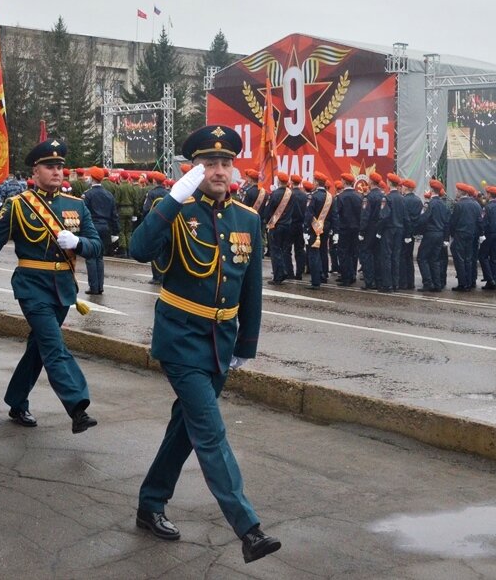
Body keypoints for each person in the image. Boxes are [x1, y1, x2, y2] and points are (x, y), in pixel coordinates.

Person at [129, 125, 281, 564]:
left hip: (221, 343)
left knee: (186, 428)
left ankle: (150, 503)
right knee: (210, 432)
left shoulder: (247, 219)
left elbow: (251, 289)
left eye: (225, 163)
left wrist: (245, 346)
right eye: (209, 163)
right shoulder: (173, 207)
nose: (219, 171)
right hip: (180, 340)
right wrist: (173, 199)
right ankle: (248, 529)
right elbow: (139, 250)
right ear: (194, 169)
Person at [0, 139, 102, 432]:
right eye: (50, 166)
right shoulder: (18, 205)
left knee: (38, 347)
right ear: (35, 171)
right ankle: (77, 406)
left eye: (61, 166)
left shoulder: (76, 205)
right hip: (32, 288)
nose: (57, 171)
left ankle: (17, 400)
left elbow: (96, 245)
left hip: (63, 289)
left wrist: (79, 243)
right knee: (53, 344)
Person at [82, 167, 119, 294]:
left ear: (92, 178)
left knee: (91, 258)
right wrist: (115, 231)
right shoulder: (109, 194)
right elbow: (114, 215)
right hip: (106, 228)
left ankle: (93, 287)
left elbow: (83, 214)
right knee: (100, 258)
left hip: (92, 227)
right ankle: (100, 286)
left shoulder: (87, 194)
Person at [304, 173, 338, 289]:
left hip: (315, 229)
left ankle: (315, 280)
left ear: (317, 182)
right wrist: (335, 230)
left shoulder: (313, 196)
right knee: (323, 251)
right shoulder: (330, 197)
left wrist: (306, 229)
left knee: (314, 254)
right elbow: (334, 215)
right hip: (326, 228)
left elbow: (309, 214)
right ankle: (324, 275)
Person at [417, 179, 450, 292]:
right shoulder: (443, 205)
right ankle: (437, 284)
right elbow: (447, 223)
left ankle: (427, 283)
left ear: (431, 190)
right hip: (440, 234)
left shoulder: (431, 204)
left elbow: (424, 219)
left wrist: (418, 228)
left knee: (422, 258)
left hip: (430, 233)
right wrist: (446, 238)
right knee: (435, 259)